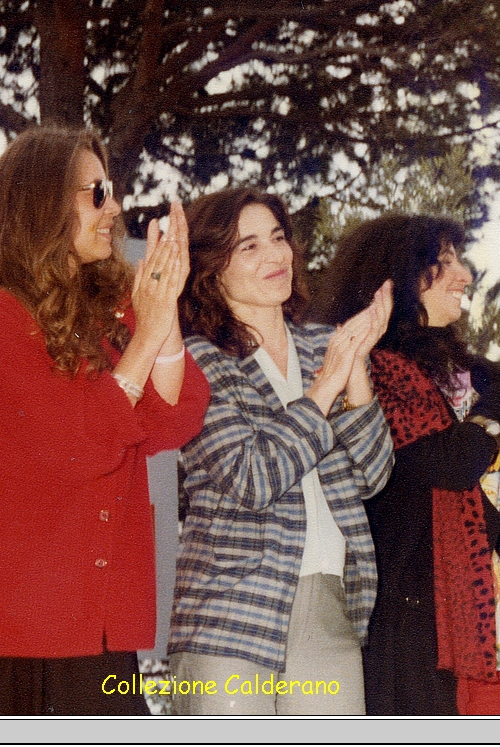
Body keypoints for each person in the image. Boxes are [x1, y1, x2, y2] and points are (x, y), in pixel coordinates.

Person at [0, 126, 209, 716]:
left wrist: (164, 309)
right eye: (94, 193)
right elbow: (77, 445)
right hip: (13, 635)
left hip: (101, 630)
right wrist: (148, 329)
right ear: (41, 204)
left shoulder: (107, 306)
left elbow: (171, 420)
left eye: (111, 190)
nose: (113, 208)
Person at [311, 213, 500, 715]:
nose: (465, 275)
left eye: (460, 260)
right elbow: (450, 462)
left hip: (496, 611)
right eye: (443, 262)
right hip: (418, 624)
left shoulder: (470, 374)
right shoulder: (370, 371)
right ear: (399, 279)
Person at [168, 188, 394, 716]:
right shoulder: (196, 358)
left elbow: (374, 475)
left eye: (278, 238)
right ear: (210, 267)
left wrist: (354, 368)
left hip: (330, 608)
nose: (275, 255)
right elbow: (252, 476)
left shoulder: (322, 345)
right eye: (248, 247)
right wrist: (326, 385)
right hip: (230, 614)